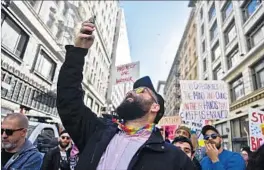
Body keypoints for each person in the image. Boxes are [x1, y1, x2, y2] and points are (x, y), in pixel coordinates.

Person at [56, 19, 195, 170]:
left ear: (155, 107)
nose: (131, 91)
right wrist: (78, 51)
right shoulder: (97, 132)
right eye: (132, 90)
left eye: (141, 91)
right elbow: (68, 100)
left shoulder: (175, 159)